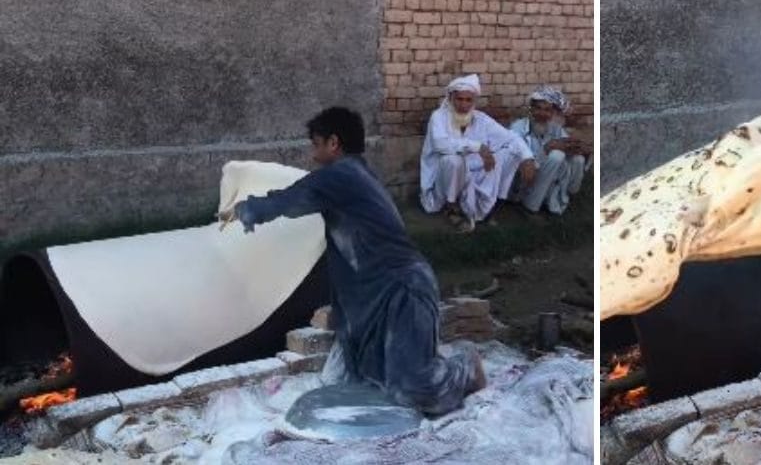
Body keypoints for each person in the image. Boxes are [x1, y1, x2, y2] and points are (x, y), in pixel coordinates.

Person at [219, 107, 486, 415]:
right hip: (373, 295)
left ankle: (466, 365)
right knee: (357, 380)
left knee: (415, 390)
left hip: (402, 291)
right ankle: (419, 364)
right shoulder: (356, 174)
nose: (313, 153)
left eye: (316, 144)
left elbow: (288, 200)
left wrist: (245, 209)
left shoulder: (341, 176)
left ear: (333, 143)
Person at [418, 74, 537, 232]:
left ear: (474, 101)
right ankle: (451, 207)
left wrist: (527, 158)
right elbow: (441, 144)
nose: (463, 104)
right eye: (459, 99)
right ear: (451, 98)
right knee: (454, 160)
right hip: (445, 175)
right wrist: (477, 147)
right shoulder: (438, 117)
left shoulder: (481, 119)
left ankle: (495, 203)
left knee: (510, 153)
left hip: (473, 172)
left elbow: (510, 137)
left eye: (468, 100)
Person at [509, 86, 591, 215]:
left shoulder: (554, 128)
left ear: (552, 113)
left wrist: (576, 147)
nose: (542, 114)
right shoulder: (517, 128)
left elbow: (568, 143)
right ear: (531, 109)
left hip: (547, 176)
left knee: (578, 158)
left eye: (547, 110)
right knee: (556, 155)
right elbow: (519, 162)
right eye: (538, 109)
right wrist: (546, 149)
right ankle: (531, 206)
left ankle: (569, 194)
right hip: (523, 180)